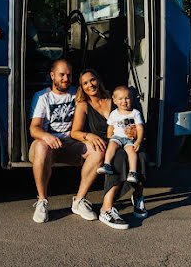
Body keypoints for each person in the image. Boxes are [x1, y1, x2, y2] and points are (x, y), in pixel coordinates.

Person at [71, 69, 148, 230]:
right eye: (85, 83)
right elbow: (75, 132)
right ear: (82, 87)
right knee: (118, 158)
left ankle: (138, 196)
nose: (90, 85)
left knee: (140, 154)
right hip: (106, 144)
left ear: (98, 80)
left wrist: (134, 131)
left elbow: (135, 121)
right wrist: (89, 136)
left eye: (92, 80)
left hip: (126, 140)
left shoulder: (116, 99)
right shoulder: (84, 105)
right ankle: (106, 209)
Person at [29, 59, 102, 223]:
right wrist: (47, 136)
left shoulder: (78, 94)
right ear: (52, 75)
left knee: (97, 151)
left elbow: (99, 103)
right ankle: (42, 201)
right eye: (61, 75)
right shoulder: (42, 97)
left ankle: (79, 201)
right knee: (41, 146)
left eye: (69, 75)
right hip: (48, 145)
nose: (65, 79)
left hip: (72, 144)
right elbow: (34, 128)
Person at [99, 86, 144, 183]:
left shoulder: (135, 113)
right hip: (117, 138)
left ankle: (132, 172)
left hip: (129, 139)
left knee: (132, 152)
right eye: (120, 99)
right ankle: (107, 165)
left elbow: (140, 128)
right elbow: (110, 127)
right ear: (114, 100)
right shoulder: (114, 114)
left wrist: (138, 141)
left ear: (131, 99)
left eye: (127, 98)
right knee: (111, 146)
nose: (124, 101)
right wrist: (109, 139)